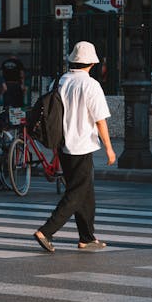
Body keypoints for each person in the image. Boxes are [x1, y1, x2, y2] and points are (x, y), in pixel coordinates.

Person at [34, 41, 116, 254]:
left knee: (86, 193)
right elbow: (100, 120)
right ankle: (46, 231)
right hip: (82, 145)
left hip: (63, 144)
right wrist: (109, 148)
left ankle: (86, 237)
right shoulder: (91, 85)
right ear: (91, 63)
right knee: (76, 193)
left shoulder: (60, 81)